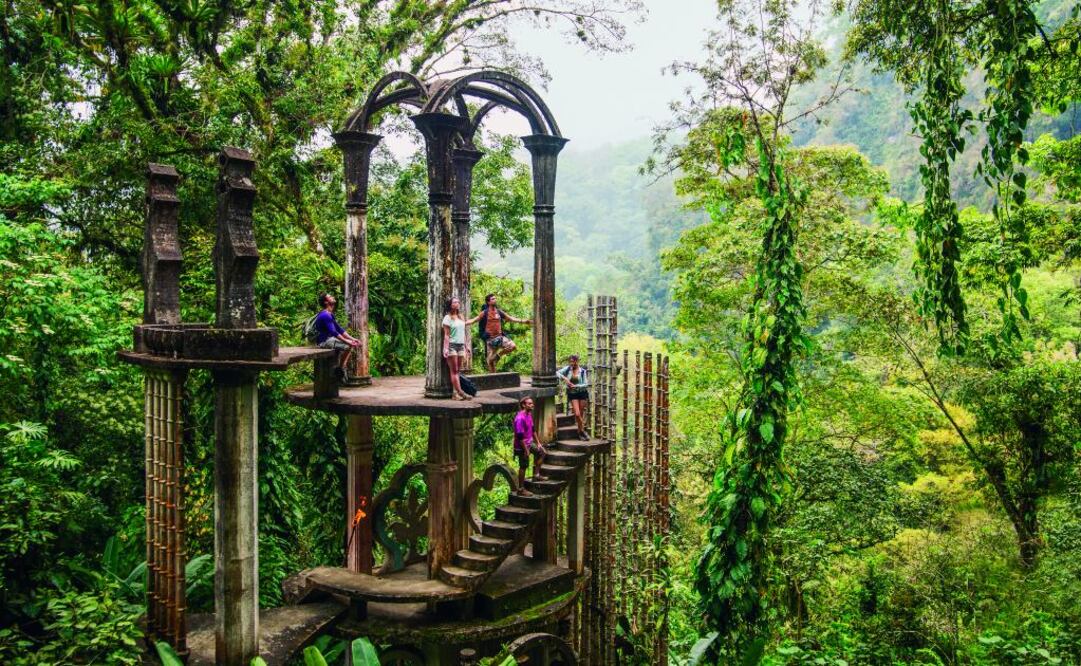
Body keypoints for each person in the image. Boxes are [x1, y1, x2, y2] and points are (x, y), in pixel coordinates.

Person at [476, 293, 531, 373]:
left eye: (495, 298)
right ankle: (493, 378)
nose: (495, 300)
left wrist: (523, 321)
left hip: (499, 337)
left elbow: (510, 318)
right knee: (491, 363)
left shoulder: (498, 312)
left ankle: (497, 356)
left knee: (512, 346)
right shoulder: (484, 313)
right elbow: (480, 327)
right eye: (493, 299)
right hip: (489, 339)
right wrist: (483, 335)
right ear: (488, 302)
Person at [314, 293, 360, 383]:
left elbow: (340, 330)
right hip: (324, 342)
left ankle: (341, 367)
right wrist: (348, 341)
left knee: (350, 344)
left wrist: (352, 339)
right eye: (330, 297)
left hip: (330, 339)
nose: (333, 297)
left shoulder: (329, 314)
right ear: (326, 302)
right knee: (348, 346)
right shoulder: (325, 315)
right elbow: (333, 332)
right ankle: (341, 368)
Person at [442, 296, 482, 400]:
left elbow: (463, 332)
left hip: (460, 346)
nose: (457, 303)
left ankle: (455, 394)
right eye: (455, 302)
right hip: (452, 345)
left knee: (458, 371)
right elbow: (446, 335)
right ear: (450, 305)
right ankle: (461, 393)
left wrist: (466, 345)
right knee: (454, 371)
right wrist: (445, 349)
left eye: (458, 302)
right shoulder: (447, 318)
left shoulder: (461, 317)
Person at [513, 396, 547, 494]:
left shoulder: (529, 415)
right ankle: (521, 489)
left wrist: (539, 443)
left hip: (529, 442)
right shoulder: (520, 418)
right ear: (523, 405)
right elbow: (520, 437)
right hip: (521, 446)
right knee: (523, 466)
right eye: (529, 403)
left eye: (532, 403)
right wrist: (526, 450)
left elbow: (533, 430)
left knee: (542, 453)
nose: (532, 405)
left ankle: (536, 475)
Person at [557, 355, 590, 441]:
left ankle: (580, 433)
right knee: (577, 414)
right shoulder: (568, 369)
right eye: (570, 361)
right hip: (572, 394)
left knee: (581, 414)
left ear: (577, 361)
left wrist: (576, 386)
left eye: (573, 361)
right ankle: (582, 430)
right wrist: (565, 378)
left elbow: (586, 384)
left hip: (582, 393)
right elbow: (556, 372)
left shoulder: (582, 371)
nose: (572, 363)